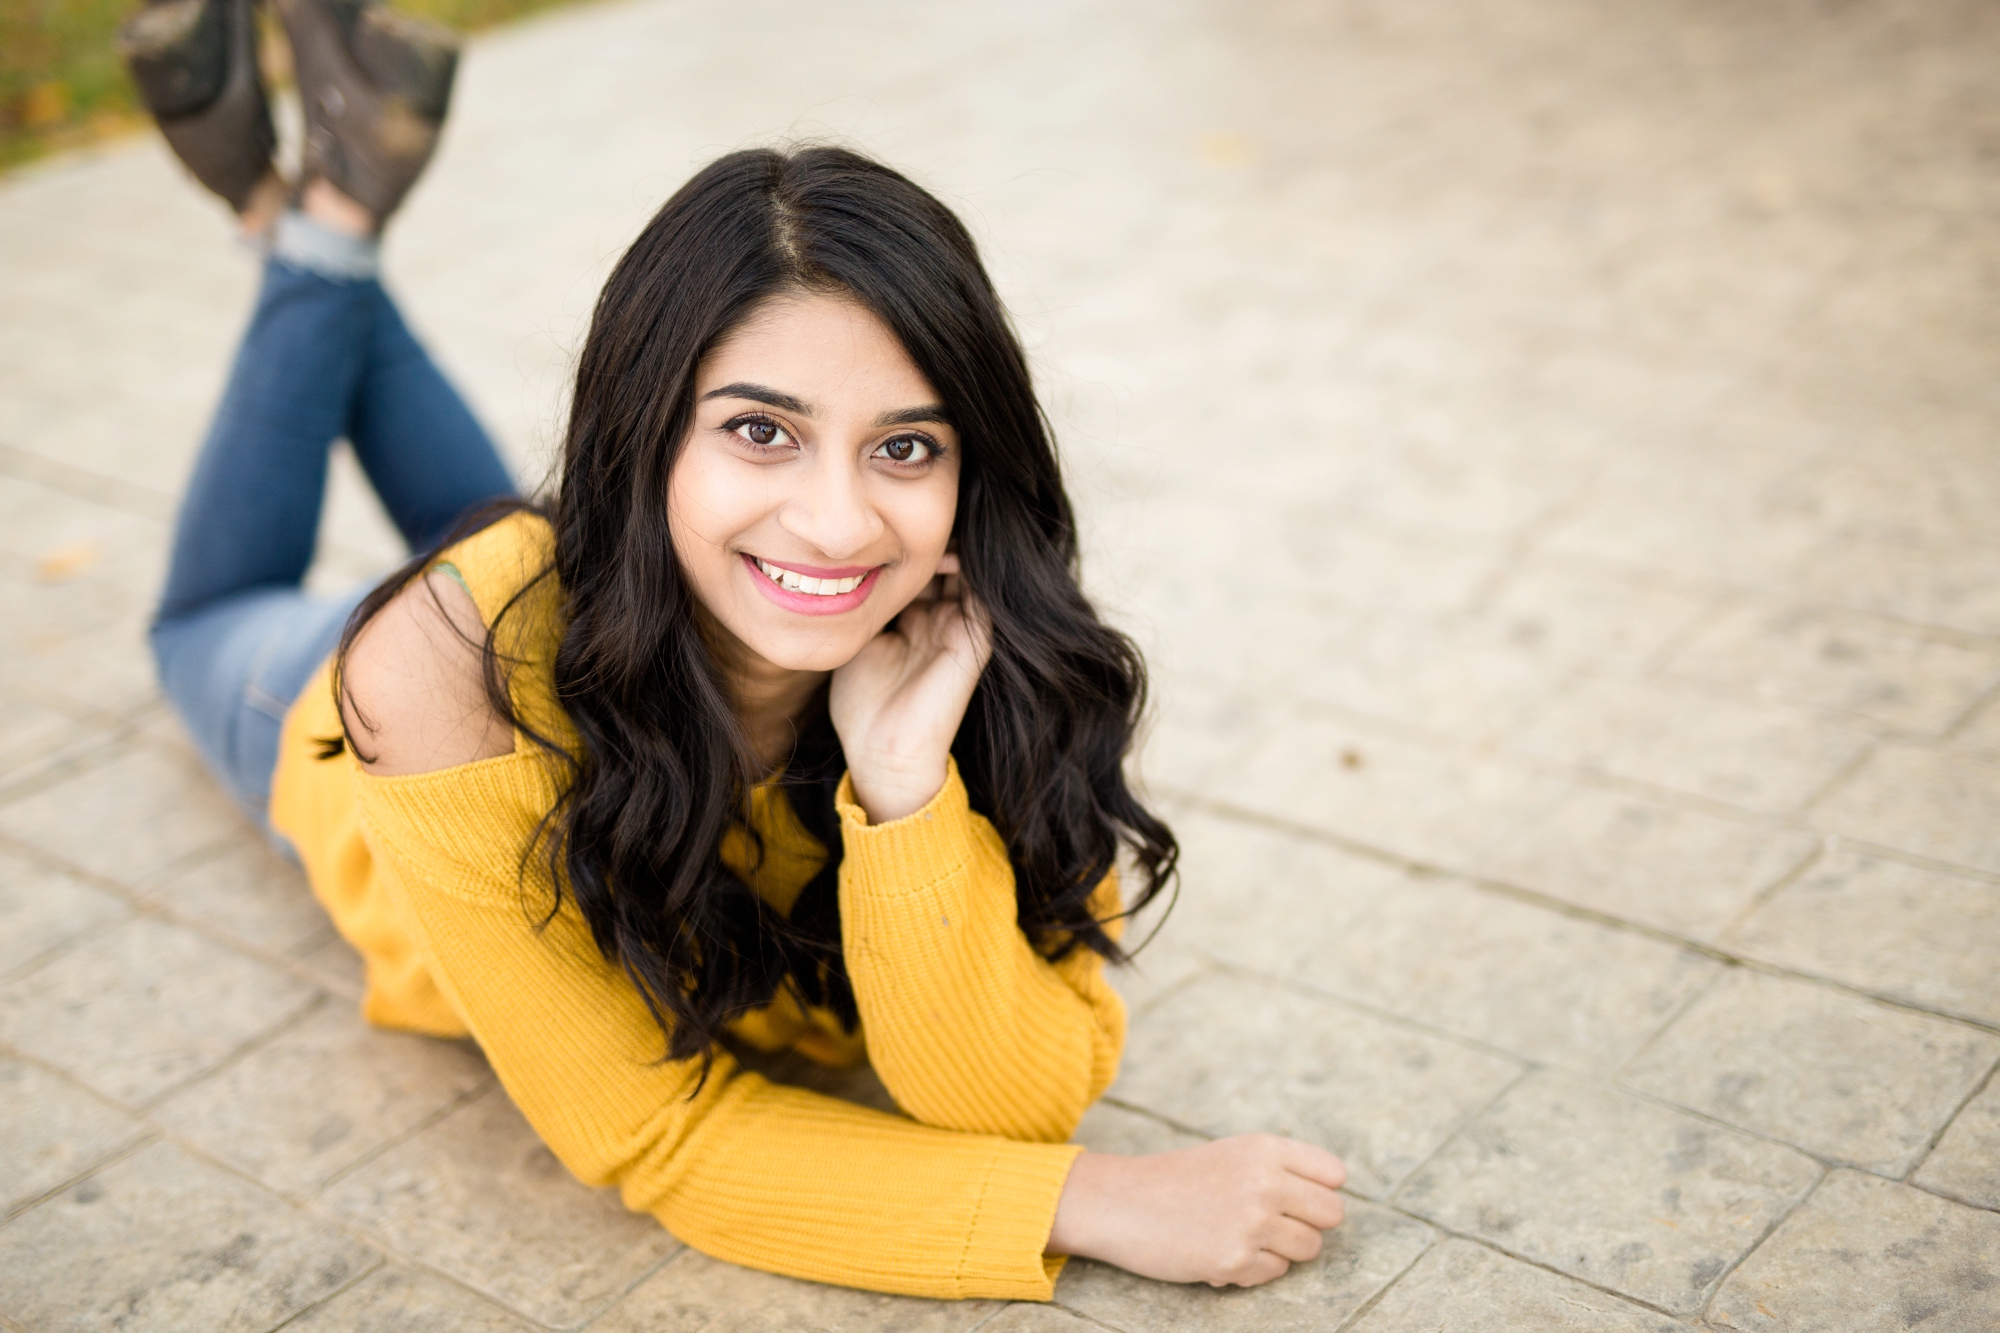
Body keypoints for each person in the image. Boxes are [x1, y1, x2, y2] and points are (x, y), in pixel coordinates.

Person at [125, 0, 1349, 1301]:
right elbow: (655, 1129)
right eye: (761, 430)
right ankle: (315, 230)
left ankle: (311, 216)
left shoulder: (984, 643)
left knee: (516, 552)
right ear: (645, 438)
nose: (837, 521)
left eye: (904, 445)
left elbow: (1013, 1092)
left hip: (610, 576)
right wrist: (1095, 1201)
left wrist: (905, 785)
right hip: (349, 699)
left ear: (967, 472)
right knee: (208, 615)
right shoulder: (435, 673)